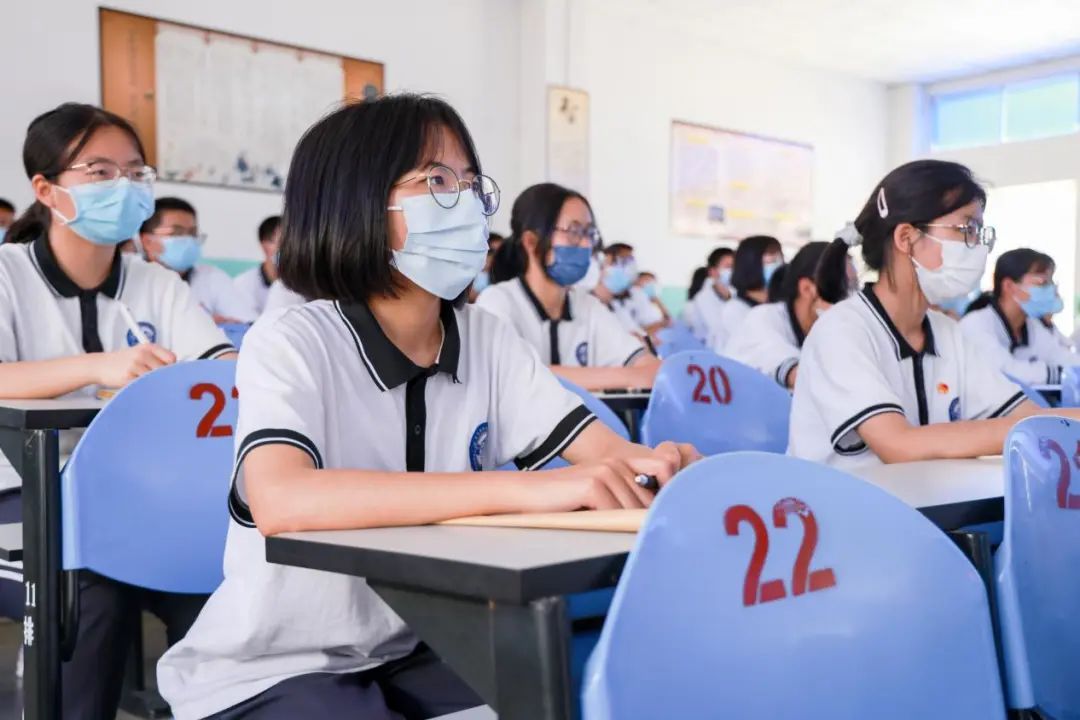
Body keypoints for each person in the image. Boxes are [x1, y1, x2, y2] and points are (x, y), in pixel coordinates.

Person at [157, 94, 698, 719]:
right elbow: (282, 498)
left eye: (470, 184)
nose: (465, 203)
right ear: (357, 201)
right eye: (437, 181)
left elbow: (605, 455)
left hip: (417, 644)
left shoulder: (487, 338)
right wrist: (527, 490)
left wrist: (662, 467)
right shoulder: (293, 338)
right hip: (277, 661)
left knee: (563, 698)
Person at [0, 102, 235, 719]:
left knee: (228, 592)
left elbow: (222, 367)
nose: (123, 187)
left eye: (135, 172)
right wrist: (97, 367)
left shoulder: (156, 283)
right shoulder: (6, 274)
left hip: (142, 494)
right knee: (89, 599)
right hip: (26, 493)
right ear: (46, 190)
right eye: (100, 172)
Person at [789, 159, 1080, 471]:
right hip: (839, 501)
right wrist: (1024, 431)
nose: (978, 246)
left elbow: (1027, 417)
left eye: (979, 232)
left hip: (924, 498)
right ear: (906, 238)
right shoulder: (842, 330)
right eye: (967, 229)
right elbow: (899, 445)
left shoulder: (946, 332)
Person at [479, 183, 659, 390]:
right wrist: (628, 376)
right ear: (531, 241)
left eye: (589, 233)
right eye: (574, 231)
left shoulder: (587, 307)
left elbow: (648, 368)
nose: (586, 244)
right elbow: (516, 374)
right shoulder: (497, 302)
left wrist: (638, 372)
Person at [959, 248, 1080, 384]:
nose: (1051, 289)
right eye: (1042, 283)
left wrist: (1072, 371)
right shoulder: (976, 324)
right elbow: (1006, 371)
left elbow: (1062, 358)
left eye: (1051, 282)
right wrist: (1061, 374)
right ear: (1009, 286)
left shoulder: (1033, 326)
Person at [725, 242, 830, 389]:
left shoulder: (821, 330)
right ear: (807, 288)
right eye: (843, 287)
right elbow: (787, 369)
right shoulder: (761, 317)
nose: (851, 297)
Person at [138, 197, 257, 323]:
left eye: (192, 233)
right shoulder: (133, 279)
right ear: (147, 241)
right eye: (177, 233)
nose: (188, 240)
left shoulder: (211, 277)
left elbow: (249, 323)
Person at [711, 235, 784, 352]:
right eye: (771, 258)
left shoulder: (777, 304)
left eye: (779, 257)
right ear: (750, 263)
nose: (778, 264)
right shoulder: (734, 310)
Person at [233, 215, 282, 316]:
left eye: (288, 243)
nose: (283, 249)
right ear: (263, 244)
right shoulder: (244, 283)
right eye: (277, 242)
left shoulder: (301, 285)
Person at [685, 247, 733, 341]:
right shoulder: (703, 298)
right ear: (713, 271)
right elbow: (718, 331)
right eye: (728, 267)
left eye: (735, 266)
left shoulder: (733, 293)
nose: (733, 271)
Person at [468, 230, 504, 301]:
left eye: (501, 252)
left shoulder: (507, 277)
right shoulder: (466, 273)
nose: (496, 256)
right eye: (491, 251)